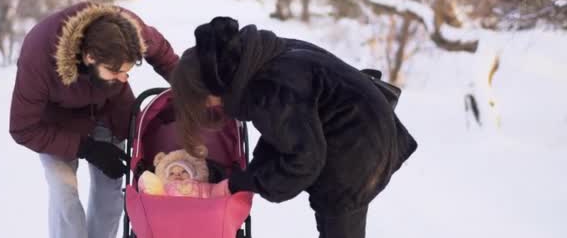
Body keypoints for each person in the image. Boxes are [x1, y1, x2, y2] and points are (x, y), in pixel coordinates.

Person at [170, 17, 418, 238]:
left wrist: (242, 183)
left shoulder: (269, 87)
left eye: (203, 101)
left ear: (211, 89)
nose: (209, 107)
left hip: (358, 147)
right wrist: (249, 175)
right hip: (364, 122)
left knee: (339, 224)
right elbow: (282, 131)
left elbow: (302, 162)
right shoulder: (258, 58)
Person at [9, 2, 178, 238]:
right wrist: (86, 148)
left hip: (107, 112)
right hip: (55, 125)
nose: (123, 78)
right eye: (115, 72)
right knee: (65, 198)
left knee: (111, 195)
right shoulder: (38, 55)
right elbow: (22, 128)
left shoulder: (129, 30)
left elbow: (163, 55)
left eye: (126, 72)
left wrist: (189, 90)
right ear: (90, 57)